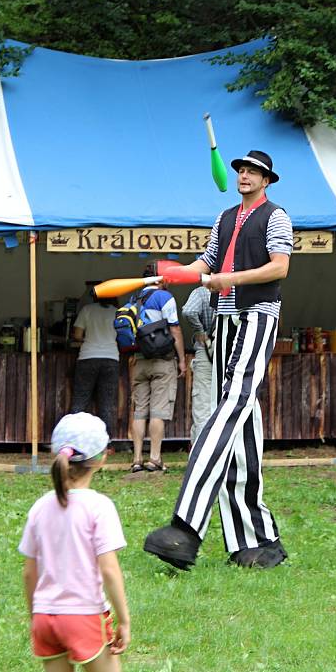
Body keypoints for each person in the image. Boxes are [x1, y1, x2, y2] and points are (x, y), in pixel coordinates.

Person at [144, 149, 293, 570]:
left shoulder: (276, 216)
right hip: (224, 320)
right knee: (242, 421)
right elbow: (206, 264)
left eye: (253, 171)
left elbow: (279, 268)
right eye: (241, 170)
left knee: (227, 410)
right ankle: (257, 544)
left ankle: (185, 528)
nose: (245, 176)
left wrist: (232, 279)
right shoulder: (226, 217)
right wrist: (172, 274)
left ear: (267, 180)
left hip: (257, 315)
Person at [19, 412, 130, 672]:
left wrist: (35, 616)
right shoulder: (99, 507)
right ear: (101, 458)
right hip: (82, 616)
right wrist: (125, 620)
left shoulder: (39, 508)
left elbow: (29, 574)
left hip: (45, 617)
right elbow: (108, 568)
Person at [130, 263, 186, 473]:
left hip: (139, 360)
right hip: (162, 361)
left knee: (139, 411)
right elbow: (175, 329)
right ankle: (154, 458)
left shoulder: (134, 299)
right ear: (160, 279)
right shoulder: (164, 297)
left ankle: (136, 459)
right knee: (158, 411)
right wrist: (181, 359)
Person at [71, 295, 120, 440]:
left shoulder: (87, 309)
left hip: (88, 356)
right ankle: (106, 442)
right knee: (107, 402)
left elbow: (77, 335)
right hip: (111, 357)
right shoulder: (117, 312)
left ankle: (73, 438)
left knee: (80, 400)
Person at [181, 285, 215, 447]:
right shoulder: (237, 288)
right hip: (232, 353)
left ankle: (201, 452)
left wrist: (200, 330)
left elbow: (188, 311)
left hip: (205, 351)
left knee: (202, 404)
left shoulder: (202, 292)